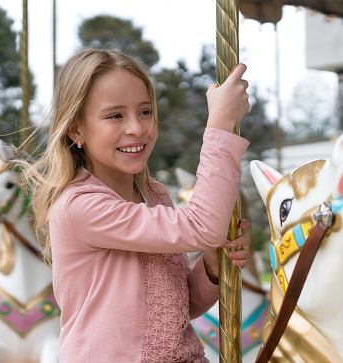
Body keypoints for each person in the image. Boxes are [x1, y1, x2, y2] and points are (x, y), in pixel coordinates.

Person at [21, 48, 251, 362]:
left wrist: (211, 265)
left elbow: (177, 308)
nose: (137, 128)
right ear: (76, 130)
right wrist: (221, 126)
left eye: (145, 111)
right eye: (115, 115)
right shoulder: (80, 206)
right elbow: (202, 226)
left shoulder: (155, 196)